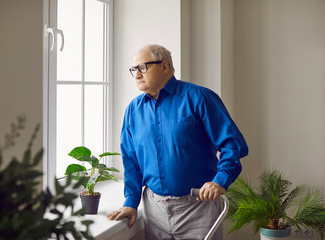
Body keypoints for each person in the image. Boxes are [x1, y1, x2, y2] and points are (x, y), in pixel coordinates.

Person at [106, 44, 248, 240]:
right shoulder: (133, 110)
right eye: (134, 70)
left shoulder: (200, 98)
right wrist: (131, 202)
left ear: (165, 66)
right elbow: (131, 161)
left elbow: (232, 144)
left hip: (198, 208)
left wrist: (220, 181)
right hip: (153, 211)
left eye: (143, 67)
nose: (137, 75)